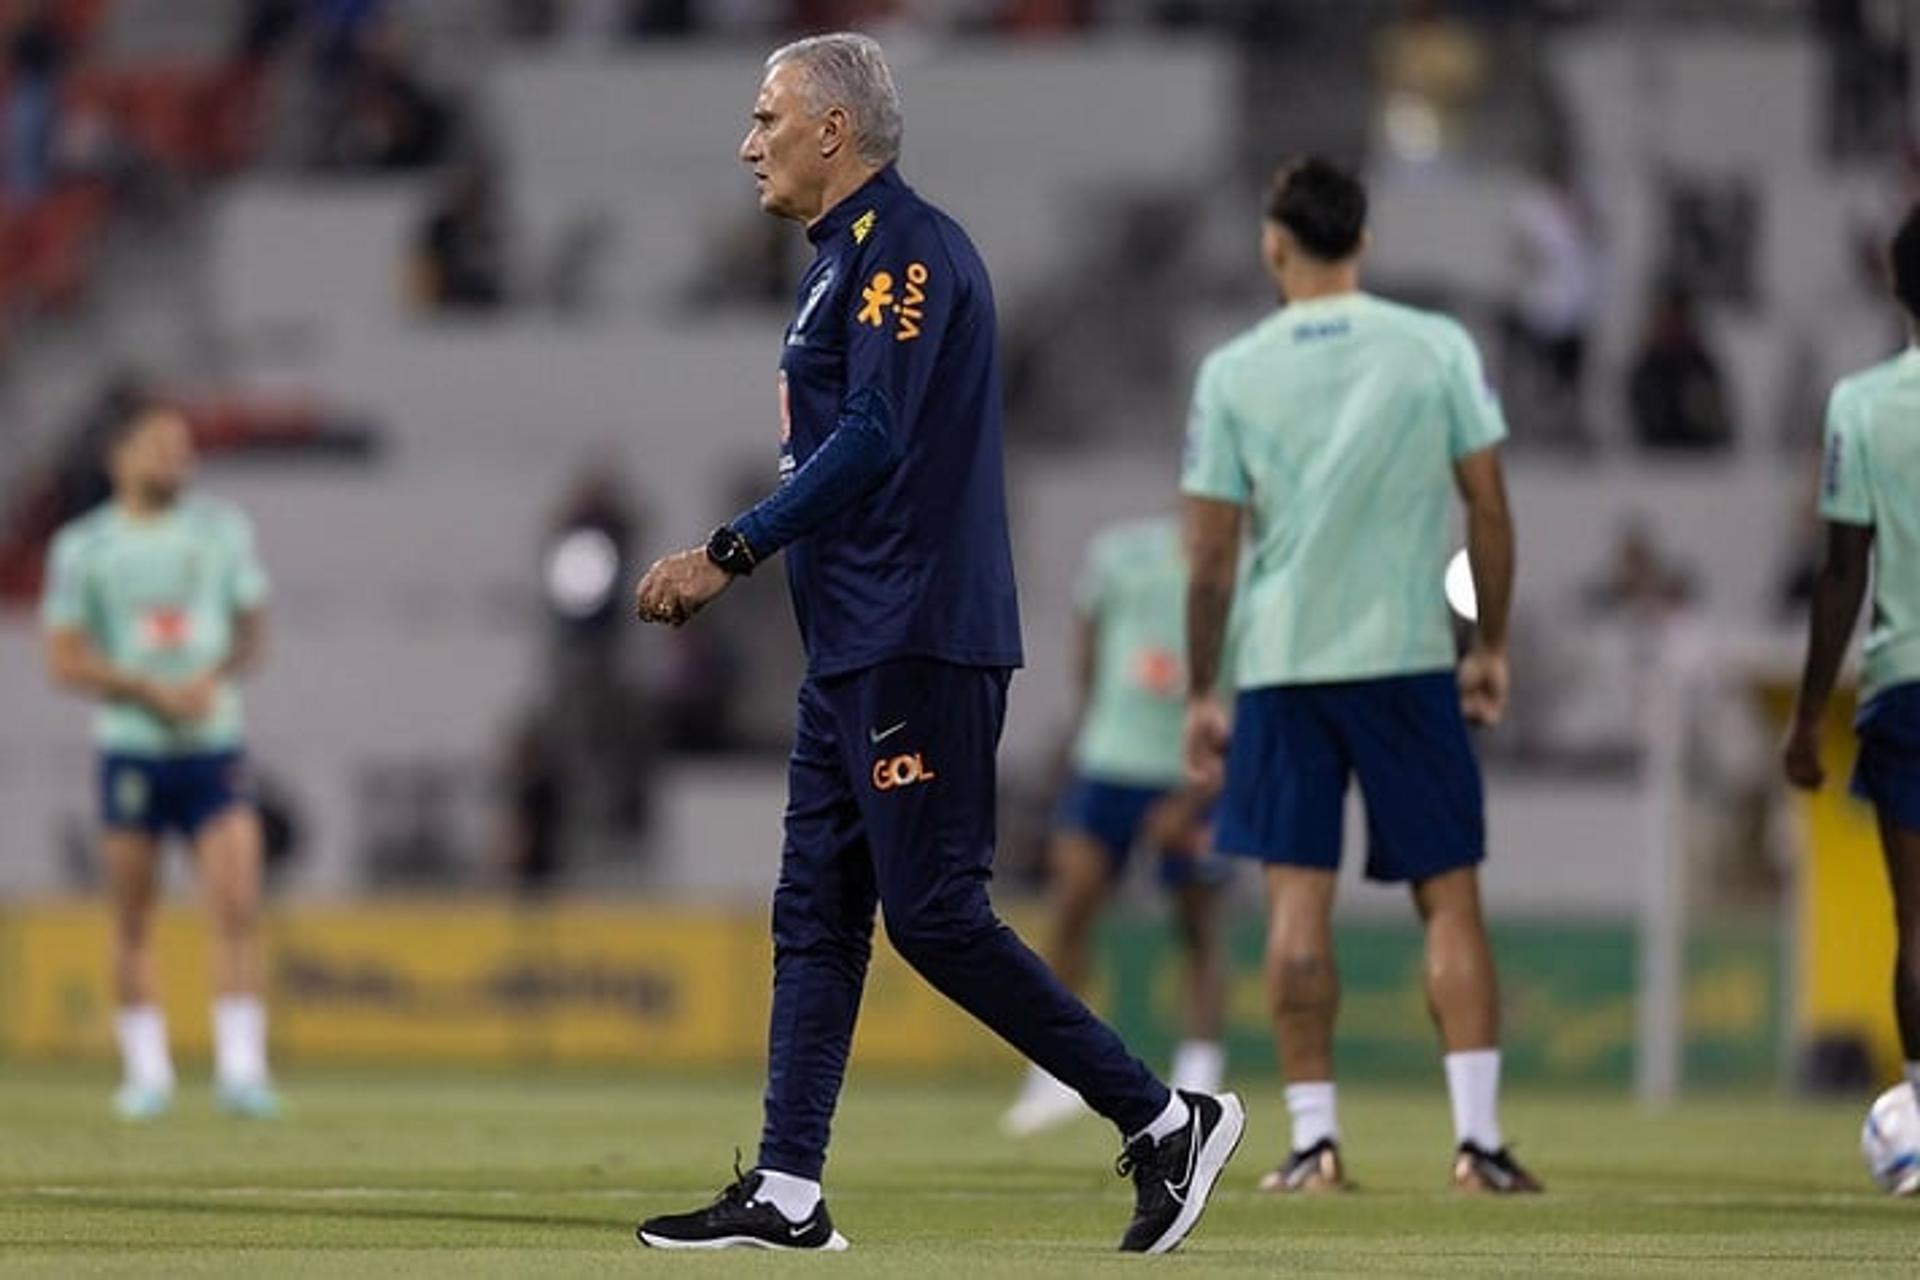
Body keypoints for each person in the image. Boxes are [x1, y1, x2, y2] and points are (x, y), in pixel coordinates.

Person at [631, 33, 1242, 1254]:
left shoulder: (906, 249)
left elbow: (872, 438)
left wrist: (729, 552)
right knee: (813, 913)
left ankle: (1164, 1116)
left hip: (918, 631)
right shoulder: (830, 267)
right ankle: (791, 1189)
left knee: (936, 915)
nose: (748, 142)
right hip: (851, 642)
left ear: (833, 133)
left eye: (767, 117)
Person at [1181, 157, 1540, 1196]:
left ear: (1273, 243)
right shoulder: (1436, 347)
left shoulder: (1234, 370)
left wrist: (1206, 689)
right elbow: (1491, 507)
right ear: (1366, 243)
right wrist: (1493, 645)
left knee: (1296, 907)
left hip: (1285, 660)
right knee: (1450, 899)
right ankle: (1477, 1143)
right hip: (1406, 655)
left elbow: (1209, 555)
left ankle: (1314, 1143)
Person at [40, 402, 278, 1121]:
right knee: (134, 915)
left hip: (213, 746)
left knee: (236, 903)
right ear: (121, 456)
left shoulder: (222, 531)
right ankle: (146, 1074)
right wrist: (144, 688)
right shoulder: (84, 547)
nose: (177, 458)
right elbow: (63, 658)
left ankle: (242, 1070)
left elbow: (251, 633)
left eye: (184, 445)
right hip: (133, 751)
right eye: (160, 446)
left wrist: (215, 677)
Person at [1002, 514, 1231, 1137]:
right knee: (1072, 909)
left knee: (1199, 925)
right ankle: (1051, 1075)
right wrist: (1090, 724)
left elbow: (1247, 691)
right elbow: (1089, 641)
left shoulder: (1249, 577)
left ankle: (1200, 1079)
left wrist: (1195, 791)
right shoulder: (1122, 555)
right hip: (1109, 763)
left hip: (1192, 773)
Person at [1782, 202, 1920, 1191]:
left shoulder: (1862, 403)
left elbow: (1841, 572)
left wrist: (1804, 714)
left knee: (1919, 925)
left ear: (1895, 285)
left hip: (1906, 684)